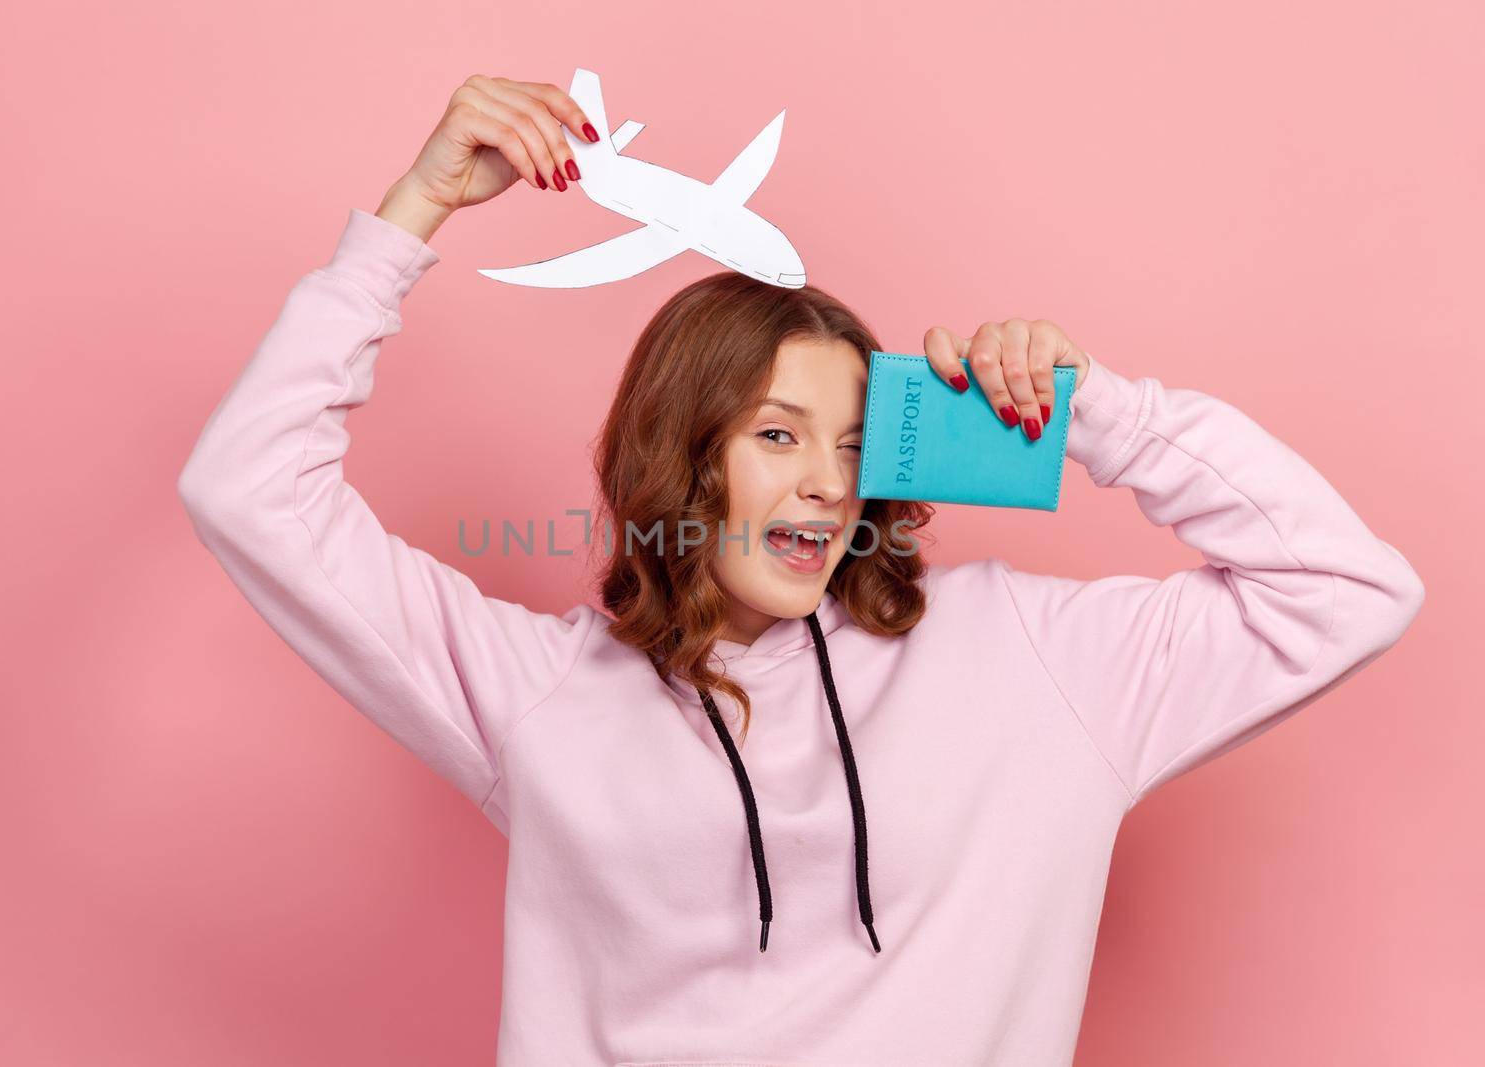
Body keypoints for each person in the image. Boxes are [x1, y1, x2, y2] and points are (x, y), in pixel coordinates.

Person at [176, 73, 1425, 1066]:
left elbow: (1348, 589)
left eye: (848, 442)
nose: (826, 483)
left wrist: (1091, 412)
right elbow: (247, 489)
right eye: (777, 435)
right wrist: (413, 212)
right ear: (684, 452)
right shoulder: (540, 692)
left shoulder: (1037, 662)